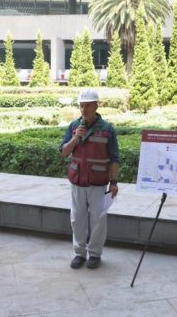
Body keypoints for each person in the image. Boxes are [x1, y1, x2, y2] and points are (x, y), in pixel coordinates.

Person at [60, 89, 119, 269]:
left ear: (96, 106)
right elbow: (63, 152)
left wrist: (114, 183)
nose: (84, 110)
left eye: (87, 106)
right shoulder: (73, 127)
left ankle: (94, 254)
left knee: (98, 220)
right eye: (81, 106)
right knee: (77, 219)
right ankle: (79, 253)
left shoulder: (107, 130)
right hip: (78, 181)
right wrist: (75, 138)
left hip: (98, 183)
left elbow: (114, 158)